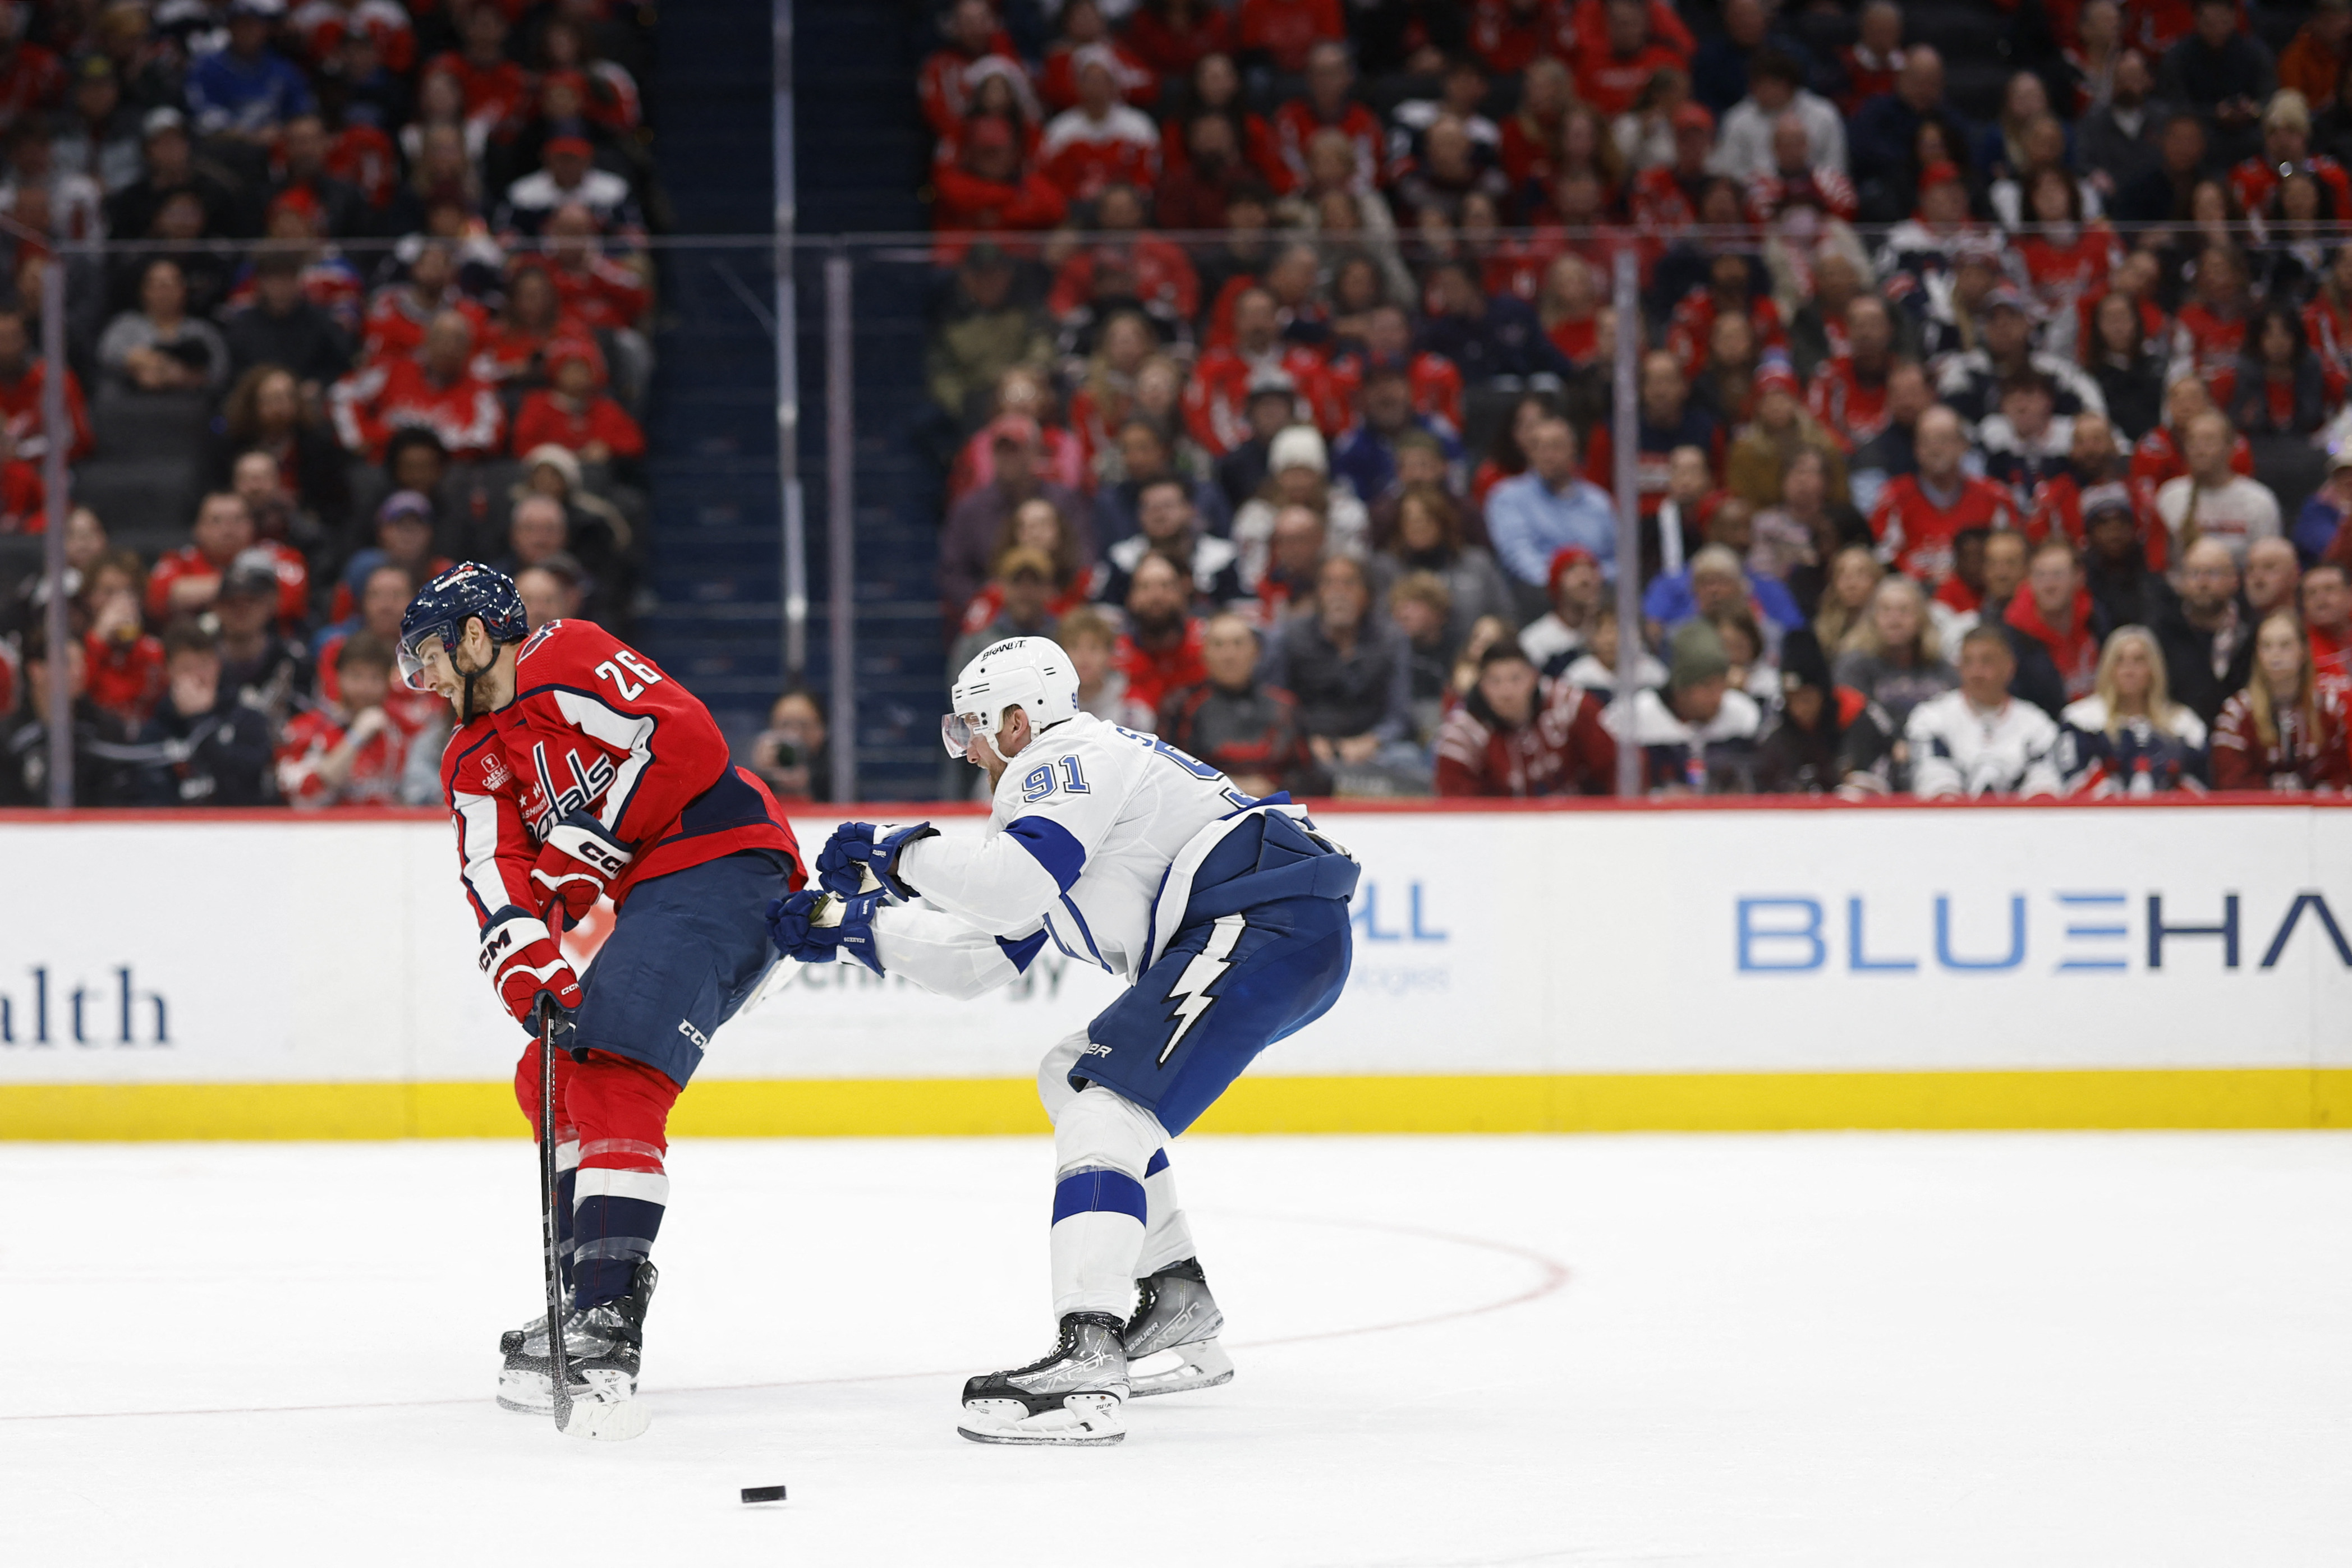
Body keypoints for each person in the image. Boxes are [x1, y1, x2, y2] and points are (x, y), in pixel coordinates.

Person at [767, 634, 1359, 1445]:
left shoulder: (1066, 754)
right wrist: (849, 925)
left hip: (1264, 922)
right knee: (1075, 1076)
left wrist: (896, 846)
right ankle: (1177, 1300)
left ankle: (1090, 1348)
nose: (968, 747)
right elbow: (986, 953)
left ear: (1017, 719)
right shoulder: (1063, 792)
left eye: (971, 725)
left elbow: (1007, 887)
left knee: (1108, 1103)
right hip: (1277, 925)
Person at [398, 564, 805, 1436]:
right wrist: (528, 963)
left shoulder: (567, 653)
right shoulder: (471, 756)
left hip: (726, 860)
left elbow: (683, 740)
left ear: (476, 636)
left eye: (430, 654)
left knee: (615, 1060)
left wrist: (580, 853)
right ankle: (585, 1294)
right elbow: (494, 875)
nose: (424, 678)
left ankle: (608, 1317)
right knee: (547, 1074)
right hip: (655, 894)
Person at [1260, 554, 1416, 777]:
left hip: (1375, 748)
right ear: (1317, 593)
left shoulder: (1392, 639)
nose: (1339, 593)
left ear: (1368, 594)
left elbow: (1400, 713)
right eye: (1328, 583)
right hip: (1309, 744)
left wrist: (1373, 741)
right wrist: (1304, 740)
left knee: (1407, 758)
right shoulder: (1290, 637)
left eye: (1349, 583)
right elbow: (1273, 702)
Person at [1156, 611, 1320, 798]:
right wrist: (1228, 787)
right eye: (1218, 645)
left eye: (1238, 644)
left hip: (1277, 808)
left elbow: (1309, 774)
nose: (1229, 655)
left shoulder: (1286, 706)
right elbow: (1167, 776)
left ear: (1257, 652)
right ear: (1204, 653)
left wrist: (1275, 788)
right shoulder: (1180, 707)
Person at [1434, 638, 1615, 798]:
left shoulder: (1568, 706)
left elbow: (1617, 767)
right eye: (1495, 681)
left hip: (1577, 824)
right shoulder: (1463, 733)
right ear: (1481, 686)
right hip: (1497, 831)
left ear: (1534, 678)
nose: (1506, 692)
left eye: (1516, 679)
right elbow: (1455, 807)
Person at [1604, 619, 1764, 793]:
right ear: (1681, 688)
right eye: (1706, 686)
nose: (1717, 695)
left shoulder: (1742, 714)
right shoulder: (1635, 714)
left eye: (1721, 684)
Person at [1906, 627, 2067, 798]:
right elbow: (1935, 784)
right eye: (1968, 662)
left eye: (1986, 661)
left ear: (2009, 667)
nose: (1976, 672)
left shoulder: (2037, 724)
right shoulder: (1931, 718)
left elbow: (2045, 791)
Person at [1867, 405, 2019, 585]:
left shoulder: (1995, 497)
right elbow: (1882, 561)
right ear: (1915, 449)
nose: (1935, 449)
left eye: (1943, 440)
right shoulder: (1893, 497)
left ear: (1963, 445)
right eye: (1926, 441)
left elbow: (2014, 559)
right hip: (1914, 601)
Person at [2062, 626, 2211, 795]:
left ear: (2154, 669)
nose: (2129, 670)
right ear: (2108, 667)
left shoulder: (2184, 725)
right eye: (2119, 660)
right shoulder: (2083, 721)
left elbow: (2199, 790)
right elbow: (2074, 785)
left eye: (2139, 660)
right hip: (2102, 818)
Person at [2211, 613, 2351, 789]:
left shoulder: (2328, 708)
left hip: (2317, 814)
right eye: (2267, 646)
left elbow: (2340, 777)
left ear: (2303, 651)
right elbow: (2231, 783)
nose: (2275, 655)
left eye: (2285, 645)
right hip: (2257, 814)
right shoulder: (2236, 714)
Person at [1370, 484, 1514, 656]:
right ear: (1399, 525)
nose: (1418, 525)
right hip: (1402, 660)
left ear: (1443, 522)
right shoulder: (1385, 568)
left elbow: (1506, 617)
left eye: (1426, 518)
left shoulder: (1477, 563)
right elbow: (1375, 624)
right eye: (1410, 519)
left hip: (1470, 658)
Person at [274, 632, 413, 807]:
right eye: (356, 676)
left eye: (375, 678)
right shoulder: (307, 729)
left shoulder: (399, 733)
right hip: (320, 831)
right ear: (338, 676)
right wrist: (356, 737)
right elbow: (304, 798)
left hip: (383, 831)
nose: (365, 688)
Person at [1754, 627, 1895, 796]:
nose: (1799, 709)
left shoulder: (1858, 719)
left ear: (1823, 693)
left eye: (1806, 699)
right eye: (1791, 699)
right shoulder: (1777, 734)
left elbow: (1885, 772)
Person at [1485, 416, 1618, 589]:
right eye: (1538, 447)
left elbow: (1620, 560)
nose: (1548, 455)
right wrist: (1566, 583)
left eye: (1556, 446)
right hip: (1536, 597)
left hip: (1597, 592)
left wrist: (1591, 579)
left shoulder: (1598, 501)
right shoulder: (1507, 497)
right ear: (1530, 454)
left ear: (1573, 450)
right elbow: (1520, 558)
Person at [2153, 410, 2281, 568]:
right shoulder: (2170, 496)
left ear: (2230, 447)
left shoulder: (2259, 500)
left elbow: (2268, 563)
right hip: (2182, 586)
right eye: (2192, 442)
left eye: (2209, 441)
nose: (2200, 450)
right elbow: (2158, 561)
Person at [1834, 574, 1958, 730]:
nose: (1894, 620)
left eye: (1904, 611)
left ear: (1921, 618)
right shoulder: (1854, 666)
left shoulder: (1940, 667)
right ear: (1873, 618)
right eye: (1886, 610)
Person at [2005, 537, 2108, 707]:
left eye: (2058, 575)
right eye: (2040, 575)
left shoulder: (2097, 619)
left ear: (2079, 577)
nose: (2049, 585)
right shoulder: (2013, 639)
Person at [1518, 546, 1604, 672]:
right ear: (1557, 583)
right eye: (1573, 570)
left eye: (1591, 569)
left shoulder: (1618, 634)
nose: (1585, 579)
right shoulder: (1534, 641)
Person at [748, 688, 830, 803]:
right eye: (785, 725)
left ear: (821, 730)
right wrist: (757, 776)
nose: (794, 733)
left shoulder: (836, 771)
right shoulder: (751, 768)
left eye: (804, 725)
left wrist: (810, 784)